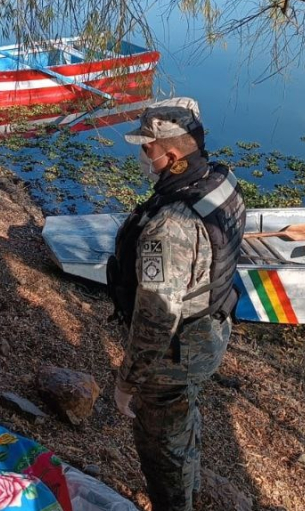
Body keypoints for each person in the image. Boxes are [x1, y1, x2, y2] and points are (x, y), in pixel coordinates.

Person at [105, 97, 245, 511]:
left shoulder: (169, 226)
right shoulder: (222, 179)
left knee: (161, 447)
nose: (142, 154)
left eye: (146, 147)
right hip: (214, 326)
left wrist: (127, 383)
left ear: (170, 153)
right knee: (183, 413)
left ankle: (176, 501)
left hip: (176, 351)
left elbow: (156, 315)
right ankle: (192, 480)